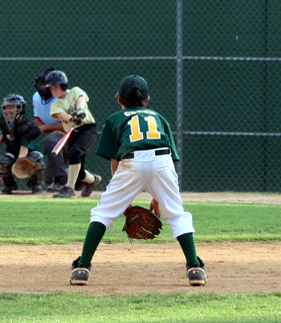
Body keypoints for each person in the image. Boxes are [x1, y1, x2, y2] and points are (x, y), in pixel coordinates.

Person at [69, 75, 205, 287]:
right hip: (162, 161)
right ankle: (195, 268)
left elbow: (116, 162)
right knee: (177, 214)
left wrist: (123, 202)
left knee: (103, 213)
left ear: (119, 100)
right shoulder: (160, 118)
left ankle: (82, 268)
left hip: (131, 161)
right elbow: (165, 160)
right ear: (147, 100)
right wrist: (158, 199)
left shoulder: (115, 119)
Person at [46, 70, 101, 198]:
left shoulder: (75, 91)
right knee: (79, 173)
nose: (53, 90)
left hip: (87, 129)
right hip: (73, 132)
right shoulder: (55, 104)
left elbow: (81, 99)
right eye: (51, 88)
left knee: (75, 152)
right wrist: (72, 118)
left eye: (55, 87)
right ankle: (93, 180)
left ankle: (69, 189)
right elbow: (61, 115)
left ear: (63, 85)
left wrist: (79, 110)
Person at [0, 94, 45, 194]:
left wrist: (19, 163)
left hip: (28, 153)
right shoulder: (4, 121)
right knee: (1, 163)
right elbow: (6, 131)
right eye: (6, 108)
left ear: (20, 109)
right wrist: (0, 140)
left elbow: (24, 146)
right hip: (13, 152)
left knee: (37, 159)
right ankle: (9, 185)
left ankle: (36, 184)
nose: (8, 111)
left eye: (11, 108)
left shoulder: (29, 126)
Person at [31, 68, 69, 193]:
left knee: (50, 140)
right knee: (48, 179)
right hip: (57, 138)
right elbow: (38, 122)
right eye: (41, 83)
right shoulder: (36, 97)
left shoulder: (64, 96)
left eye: (46, 84)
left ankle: (61, 181)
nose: (43, 87)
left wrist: (47, 129)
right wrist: (53, 130)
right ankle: (83, 177)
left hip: (73, 137)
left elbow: (67, 126)